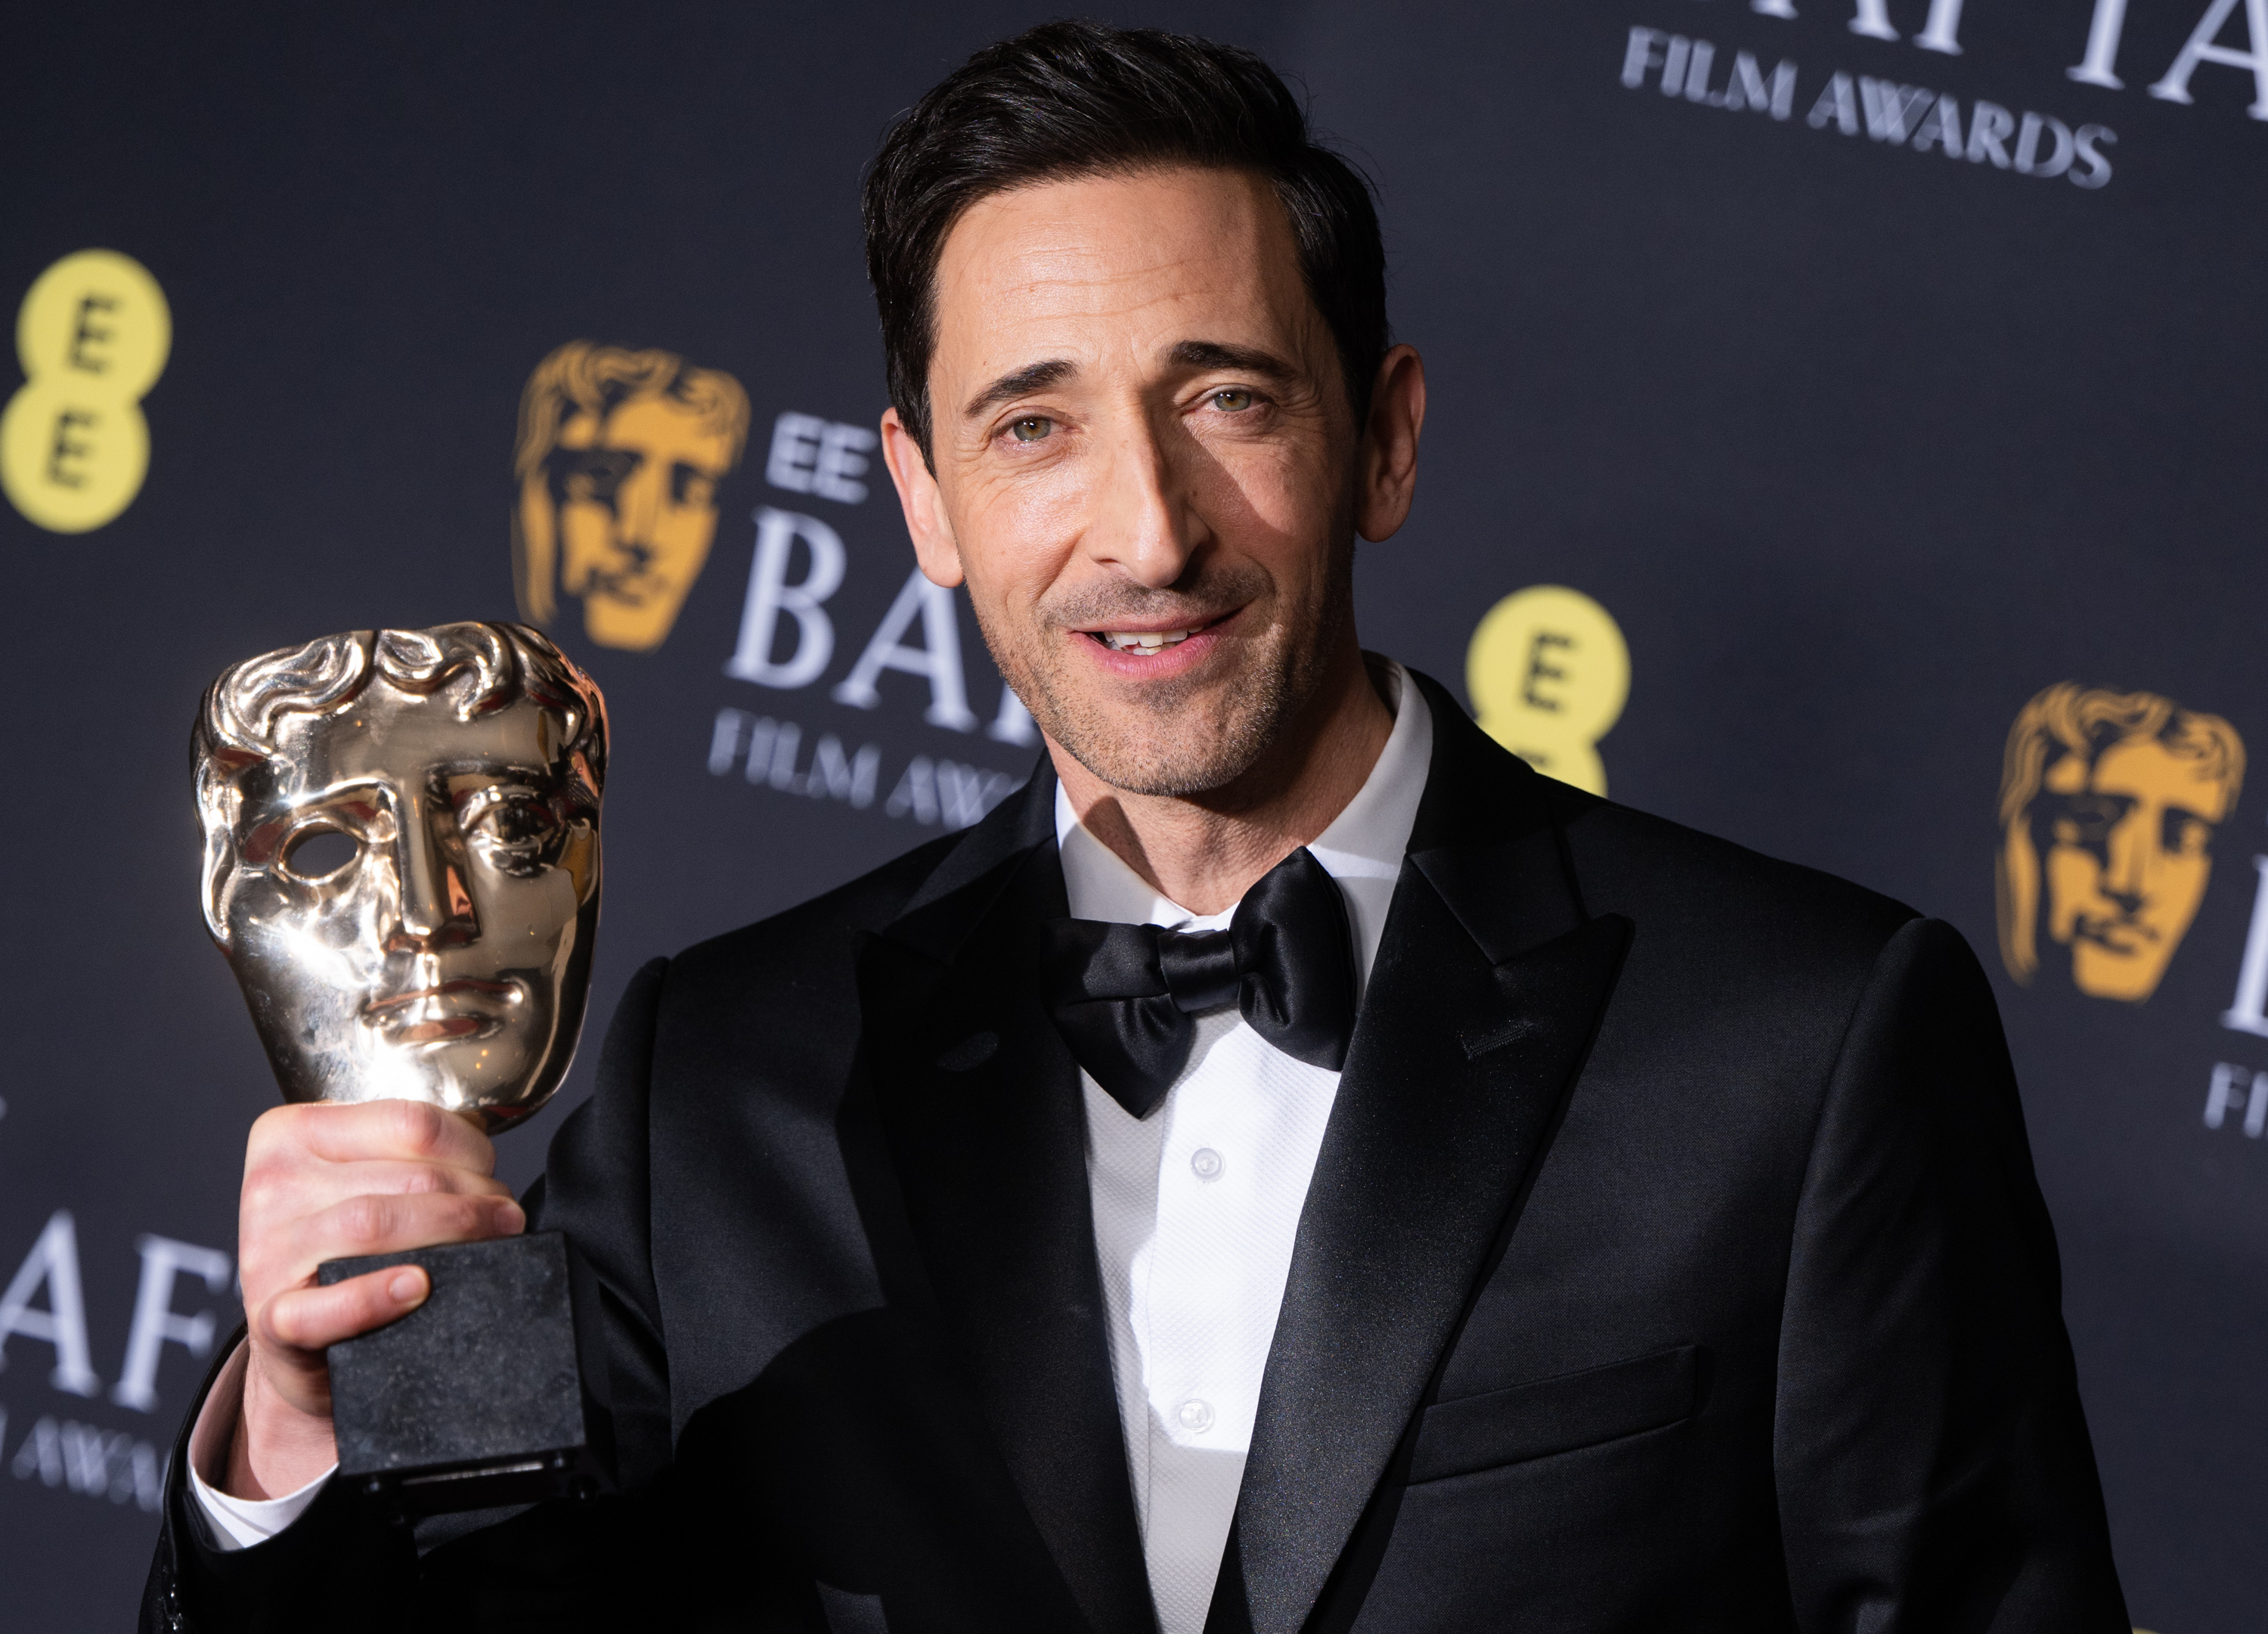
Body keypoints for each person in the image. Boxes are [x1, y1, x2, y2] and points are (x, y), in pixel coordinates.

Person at [146, 22, 2129, 1632]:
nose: (1148, 529)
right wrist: (319, 1416)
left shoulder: (1805, 1043)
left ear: (1387, 434)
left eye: (1229, 400)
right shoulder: (715, 1083)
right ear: (920, 499)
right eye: (1034, 426)